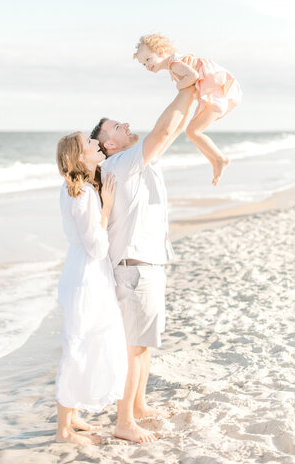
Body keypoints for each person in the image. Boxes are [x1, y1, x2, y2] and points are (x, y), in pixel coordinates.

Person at [90, 85, 195, 443]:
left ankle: (138, 405)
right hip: (133, 270)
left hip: (145, 267)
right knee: (133, 349)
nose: (126, 126)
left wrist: (191, 95)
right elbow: (164, 130)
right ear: (110, 145)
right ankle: (123, 422)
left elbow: (172, 131)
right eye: (117, 127)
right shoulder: (121, 163)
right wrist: (185, 87)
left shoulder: (137, 159)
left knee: (143, 345)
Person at [55, 132, 128, 446]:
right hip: (86, 273)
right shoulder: (84, 193)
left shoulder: (75, 188)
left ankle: (71, 417)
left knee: (79, 341)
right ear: (79, 157)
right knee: (78, 346)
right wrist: (107, 208)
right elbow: (96, 247)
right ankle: (63, 432)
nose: (96, 144)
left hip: (80, 270)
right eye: (89, 144)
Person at [134, 33, 242, 185]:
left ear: (161, 52)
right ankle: (216, 161)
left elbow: (193, 75)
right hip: (214, 93)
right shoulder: (175, 65)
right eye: (143, 64)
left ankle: (220, 159)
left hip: (215, 93)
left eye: (148, 59)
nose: (147, 65)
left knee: (193, 132)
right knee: (193, 132)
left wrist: (179, 85)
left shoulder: (174, 64)